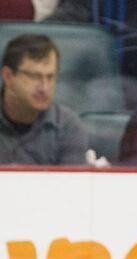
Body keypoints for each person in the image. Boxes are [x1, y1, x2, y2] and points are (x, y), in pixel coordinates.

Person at [0, 33, 88, 165]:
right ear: (8, 76)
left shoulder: (67, 126)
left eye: (50, 77)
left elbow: (71, 185)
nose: (44, 88)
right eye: (34, 76)